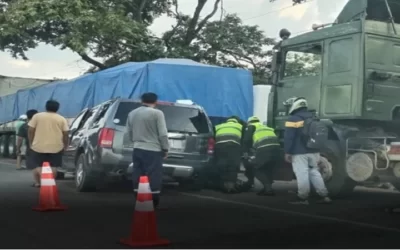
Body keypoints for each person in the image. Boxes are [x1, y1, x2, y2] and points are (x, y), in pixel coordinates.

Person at [283, 97, 332, 205]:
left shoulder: (293, 119)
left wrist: (287, 152)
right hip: (313, 150)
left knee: (302, 173)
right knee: (314, 172)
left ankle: (302, 198)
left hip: (299, 152)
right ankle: (324, 196)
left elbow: (289, 137)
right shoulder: (314, 117)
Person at [126, 92, 169, 208]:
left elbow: (128, 132)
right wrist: (165, 148)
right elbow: (163, 134)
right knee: (153, 174)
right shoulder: (157, 113)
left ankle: (138, 197)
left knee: (138, 172)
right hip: (153, 149)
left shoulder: (132, 113)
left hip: (137, 148)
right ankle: (153, 200)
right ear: (156, 101)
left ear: (141, 100)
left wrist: (134, 142)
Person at [28, 100, 69, 187]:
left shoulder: (37, 116)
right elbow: (66, 134)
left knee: (39, 165)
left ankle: (40, 182)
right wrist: (65, 145)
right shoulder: (61, 119)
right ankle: (49, 184)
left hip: (38, 145)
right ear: (57, 108)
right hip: (56, 146)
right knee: (54, 166)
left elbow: (31, 130)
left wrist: (31, 142)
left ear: (46, 107)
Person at [242, 116, 281, 196]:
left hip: (264, 149)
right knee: (267, 168)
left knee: (256, 167)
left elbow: (247, 140)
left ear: (249, 122)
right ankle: (268, 187)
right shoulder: (266, 127)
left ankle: (268, 189)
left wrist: (245, 151)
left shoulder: (251, 126)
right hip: (277, 149)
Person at [213, 116, 243, 193]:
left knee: (222, 166)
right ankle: (231, 187)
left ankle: (224, 186)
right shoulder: (239, 126)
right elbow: (244, 139)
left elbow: (213, 137)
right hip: (233, 147)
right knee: (232, 167)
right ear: (236, 121)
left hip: (219, 147)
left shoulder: (218, 126)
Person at [16, 110, 38, 180]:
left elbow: (20, 139)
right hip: (44, 147)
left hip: (31, 147)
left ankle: (37, 182)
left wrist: (18, 148)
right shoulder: (42, 125)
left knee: (34, 165)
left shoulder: (25, 126)